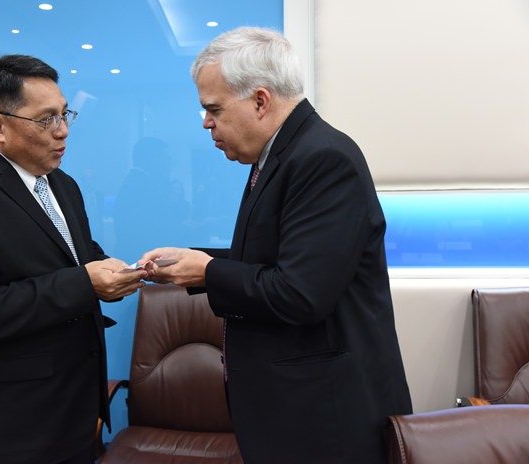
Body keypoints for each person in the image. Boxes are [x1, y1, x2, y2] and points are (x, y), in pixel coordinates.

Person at [140, 27, 412, 463]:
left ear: (260, 101)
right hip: (293, 409)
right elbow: (274, 259)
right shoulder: (279, 156)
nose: (207, 123)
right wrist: (196, 261)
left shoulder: (324, 158)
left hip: (325, 420)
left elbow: (300, 292)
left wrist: (207, 272)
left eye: (213, 109)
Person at [0, 54, 146, 464]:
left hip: (73, 409)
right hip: (8, 425)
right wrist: (86, 283)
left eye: (65, 115)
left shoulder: (62, 184)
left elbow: (75, 254)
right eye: (46, 120)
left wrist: (122, 271)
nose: (62, 132)